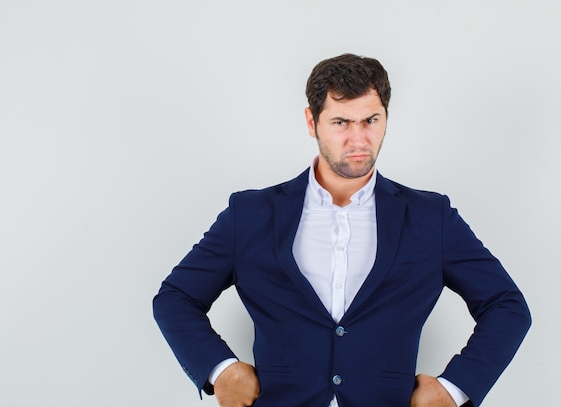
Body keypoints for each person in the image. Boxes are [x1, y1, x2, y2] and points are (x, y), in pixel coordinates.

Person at [153, 53, 531, 407]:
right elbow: (175, 298)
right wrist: (220, 370)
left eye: (370, 120)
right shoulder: (250, 214)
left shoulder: (431, 217)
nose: (358, 140)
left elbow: (507, 306)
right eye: (340, 123)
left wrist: (454, 389)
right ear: (311, 121)